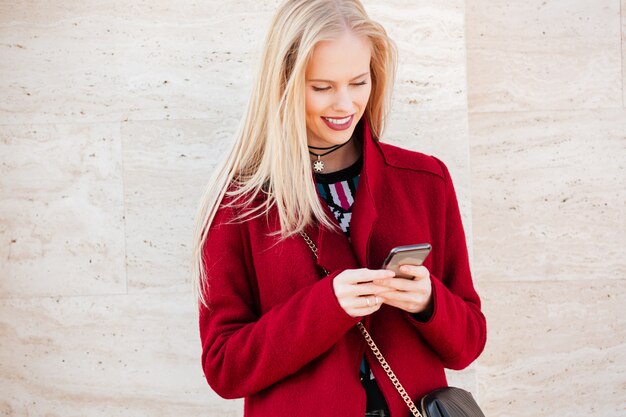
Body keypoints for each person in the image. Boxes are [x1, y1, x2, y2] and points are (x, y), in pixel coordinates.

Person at [191, 1, 487, 416]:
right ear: (284, 84)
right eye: (322, 87)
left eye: (358, 82)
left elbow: (469, 344)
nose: (345, 104)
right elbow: (225, 368)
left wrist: (428, 300)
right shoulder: (240, 202)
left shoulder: (425, 181)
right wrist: (325, 307)